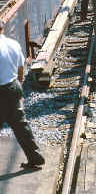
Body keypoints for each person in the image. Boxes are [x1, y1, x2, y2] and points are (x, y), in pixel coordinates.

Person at [0, 20, 45, 170]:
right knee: (21, 125)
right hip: (13, 87)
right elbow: (21, 68)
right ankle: (35, 156)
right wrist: (19, 88)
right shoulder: (13, 44)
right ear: (3, 28)